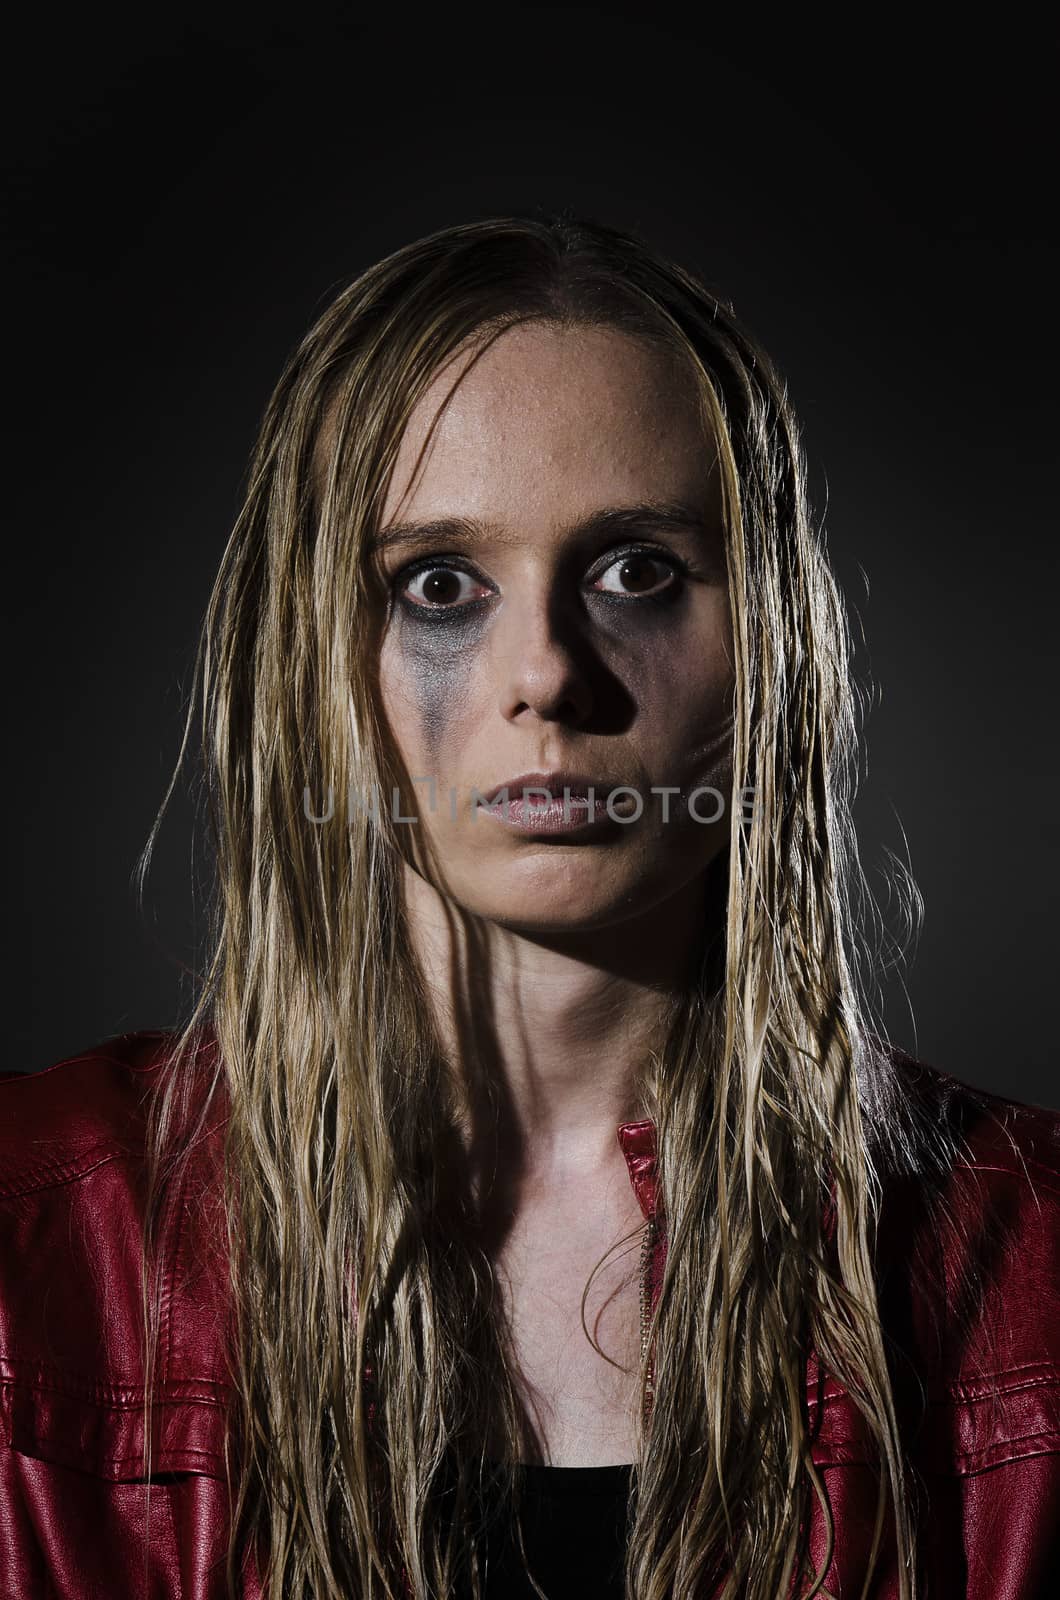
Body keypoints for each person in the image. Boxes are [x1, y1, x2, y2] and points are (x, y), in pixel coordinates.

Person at [2, 211, 1059, 1600]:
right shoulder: (33, 1251)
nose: (547, 673)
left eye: (637, 572)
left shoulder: (1028, 1263)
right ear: (309, 655)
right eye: (439, 586)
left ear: (773, 647)